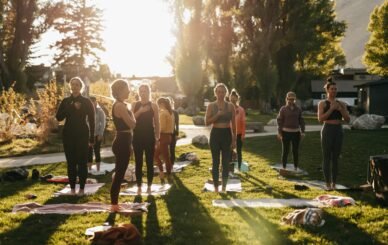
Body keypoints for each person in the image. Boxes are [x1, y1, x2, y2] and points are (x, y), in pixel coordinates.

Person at [56, 77, 95, 196]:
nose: (75, 87)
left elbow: (92, 120)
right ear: (70, 87)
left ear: (81, 87)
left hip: (83, 134)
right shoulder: (66, 101)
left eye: (77, 85)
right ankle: (72, 189)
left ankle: (82, 189)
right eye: (72, 84)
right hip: (68, 134)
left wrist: (92, 138)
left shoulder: (87, 101)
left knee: (82, 163)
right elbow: (59, 117)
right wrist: (71, 107)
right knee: (71, 162)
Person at [318, 77, 350, 190]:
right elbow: (320, 119)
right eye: (332, 89)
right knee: (326, 157)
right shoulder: (322, 103)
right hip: (327, 129)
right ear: (327, 90)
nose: (334, 91)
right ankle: (327, 184)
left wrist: (341, 109)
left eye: (335, 89)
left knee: (335, 158)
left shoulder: (341, 103)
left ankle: (334, 184)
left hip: (338, 130)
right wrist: (331, 109)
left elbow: (347, 120)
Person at [110, 79, 136, 211]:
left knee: (120, 172)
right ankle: (114, 204)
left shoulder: (123, 104)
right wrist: (136, 112)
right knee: (120, 174)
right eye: (127, 88)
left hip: (124, 140)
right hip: (121, 141)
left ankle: (115, 202)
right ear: (120, 90)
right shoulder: (119, 106)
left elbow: (131, 124)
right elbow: (132, 124)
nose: (129, 90)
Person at [205, 83, 236, 193]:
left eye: (223, 92)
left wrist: (234, 139)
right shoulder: (211, 106)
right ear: (215, 93)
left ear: (226, 93)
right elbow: (207, 122)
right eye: (219, 92)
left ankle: (224, 187)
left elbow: (234, 124)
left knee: (226, 162)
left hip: (226, 134)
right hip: (215, 134)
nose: (221, 94)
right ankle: (216, 188)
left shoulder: (230, 106)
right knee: (215, 162)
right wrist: (217, 115)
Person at [131, 83, 160, 195]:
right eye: (141, 91)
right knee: (138, 162)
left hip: (149, 136)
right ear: (139, 92)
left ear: (148, 92)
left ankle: (149, 186)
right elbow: (131, 119)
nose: (143, 93)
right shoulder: (134, 104)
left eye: (145, 91)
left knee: (149, 162)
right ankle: (139, 186)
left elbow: (157, 123)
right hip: (137, 136)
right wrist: (141, 111)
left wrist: (157, 138)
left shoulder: (154, 106)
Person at [277, 91, 305, 171]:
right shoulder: (283, 109)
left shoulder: (298, 109)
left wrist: (302, 131)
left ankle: (296, 167)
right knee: (285, 150)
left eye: (293, 99)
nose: (291, 100)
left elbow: (301, 121)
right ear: (287, 99)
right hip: (285, 133)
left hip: (296, 133)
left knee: (295, 151)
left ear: (295, 99)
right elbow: (279, 121)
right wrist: (279, 132)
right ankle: (284, 167)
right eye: (290, 99)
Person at [154, 97, 175, 184]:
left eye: (158, 105)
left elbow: (161, 128)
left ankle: (165, 173)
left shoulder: (163, 114)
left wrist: (155, 130)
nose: (158, 107)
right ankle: (164, 173)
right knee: (159, 155)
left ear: (162, 104)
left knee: (164, 157)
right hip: (169, 136)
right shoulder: (171, 113)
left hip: (163, 136)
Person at [87, 96, 106, 172]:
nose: (92, 103)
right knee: (89, 152)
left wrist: (101, 134)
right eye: (90, 102)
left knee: (97, 151)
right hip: (88, 135)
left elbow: (103, 123)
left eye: (93, 102)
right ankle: (89, 169)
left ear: (95, 102)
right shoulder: (86, 111)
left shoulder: (100, 111)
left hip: (97, 134)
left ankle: (98, 169)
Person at [229, 89, 246, 171]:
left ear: (237, 99)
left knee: (239, 151)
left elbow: (243, 123)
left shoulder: (241, 110)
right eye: (231, 98)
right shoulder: (227, 109)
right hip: (229, 134)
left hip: (239, 134)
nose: (233, 100)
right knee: (229, 151)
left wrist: (243, 135)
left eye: (234, 98)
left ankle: (239, 167)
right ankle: (228, 168)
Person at [168, 97, 179, 166]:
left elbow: (177, 124)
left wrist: (176, 134)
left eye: (170, 103)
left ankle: (172, 164)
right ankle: (167, 164)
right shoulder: (163, 112)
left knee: (172, 149)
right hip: (164, 133)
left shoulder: (175, 112)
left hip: (173, 133)